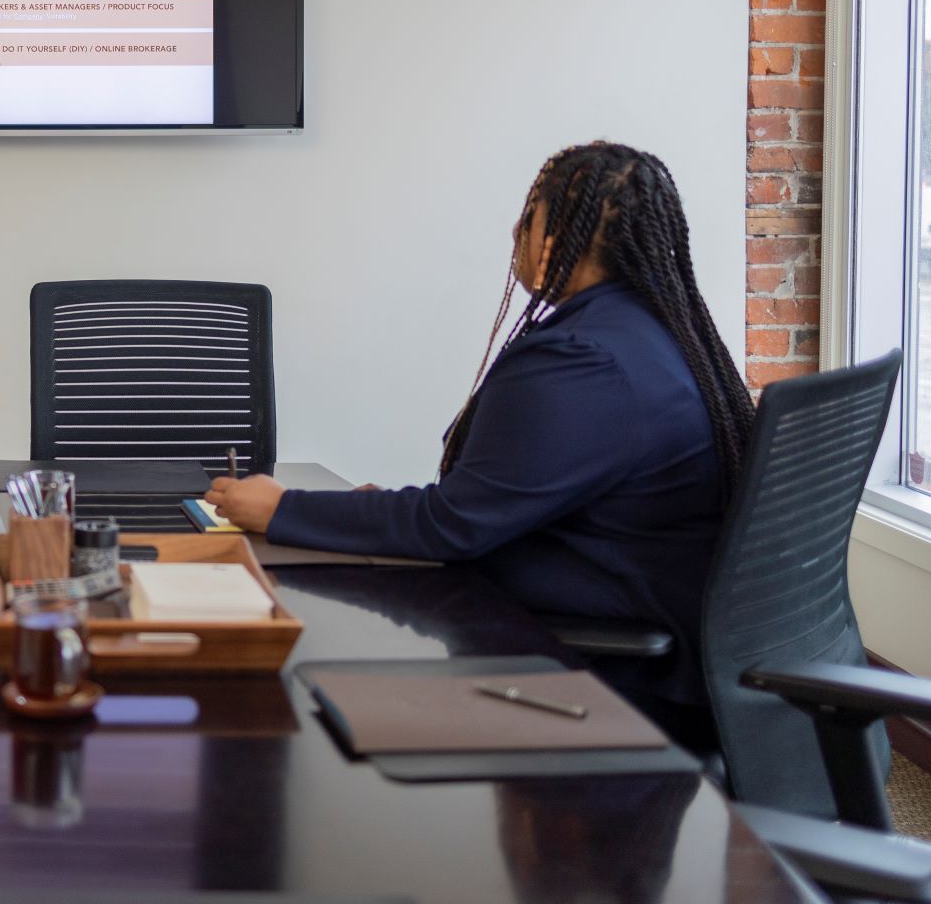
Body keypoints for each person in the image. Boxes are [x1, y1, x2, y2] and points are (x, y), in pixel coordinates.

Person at [204, 141, 755, 740]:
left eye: (530, 215)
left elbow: (454, 524)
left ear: (559, 236)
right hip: (664, 639)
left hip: (604, 675)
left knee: (312, 698)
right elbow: (489, 505)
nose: (514, 230)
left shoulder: (582, 360)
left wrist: (283, 508)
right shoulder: (650, 332)